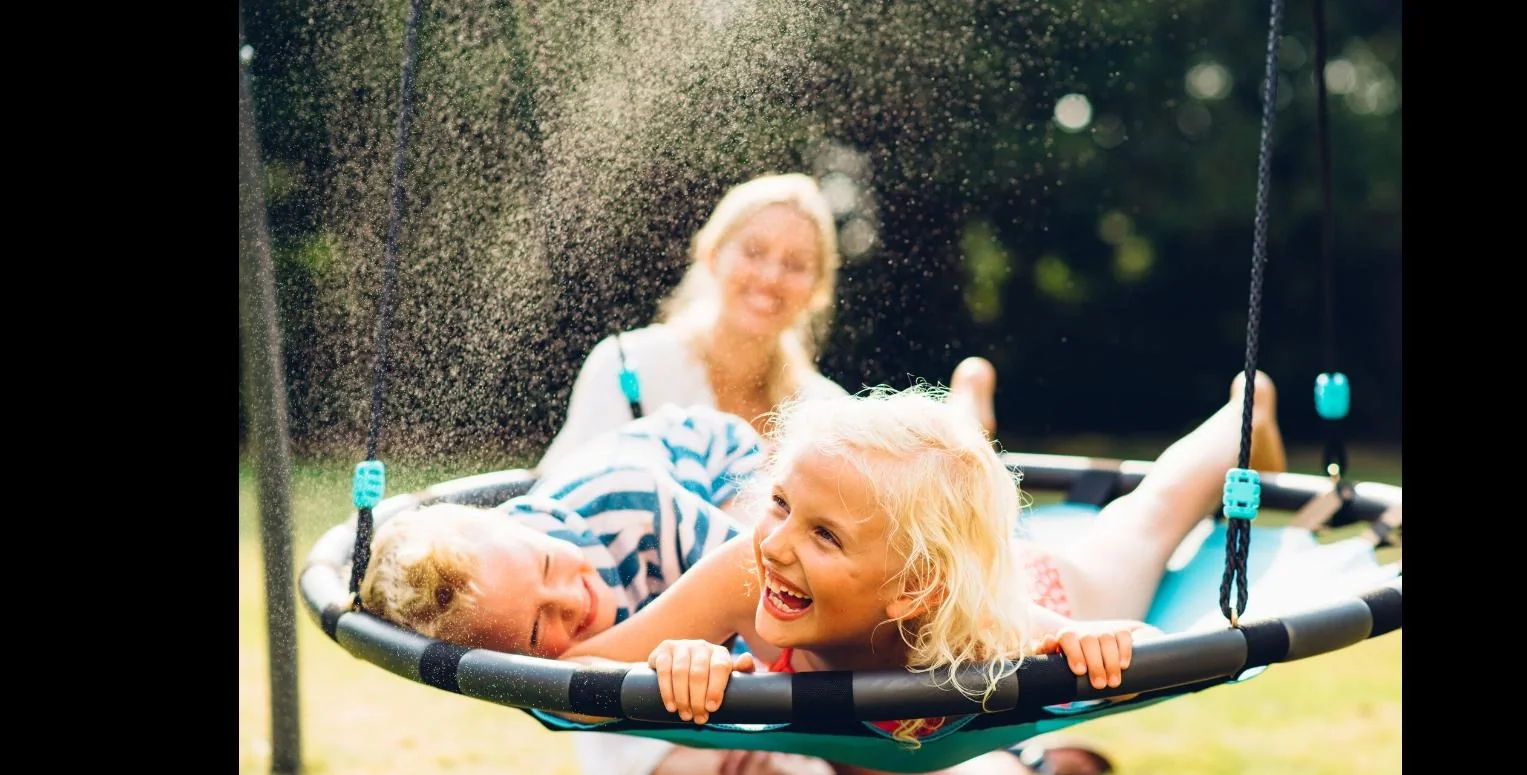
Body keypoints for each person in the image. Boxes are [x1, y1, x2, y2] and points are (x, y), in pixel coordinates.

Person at [559, 372, 1286, 775]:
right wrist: (666, 662)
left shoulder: (975, 622)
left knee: (1150, 515)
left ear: (912, 589)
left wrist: (1094, 638)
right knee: (940, 485)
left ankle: (1244, 414)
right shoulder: (748, 572)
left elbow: (1135, 643)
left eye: (822, 534)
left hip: (1040, 585)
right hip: (919, 600)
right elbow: (576, 679)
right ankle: (965, 414)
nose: (776, 542)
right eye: (779, 502)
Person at [537, 172, 998, 482]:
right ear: (713, 255)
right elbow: (564, 501)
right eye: (754, 252)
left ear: (817, 289)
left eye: (796, 264)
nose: (771, 277)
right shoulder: (630, 366)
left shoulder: (822, 410)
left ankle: (960, 436)